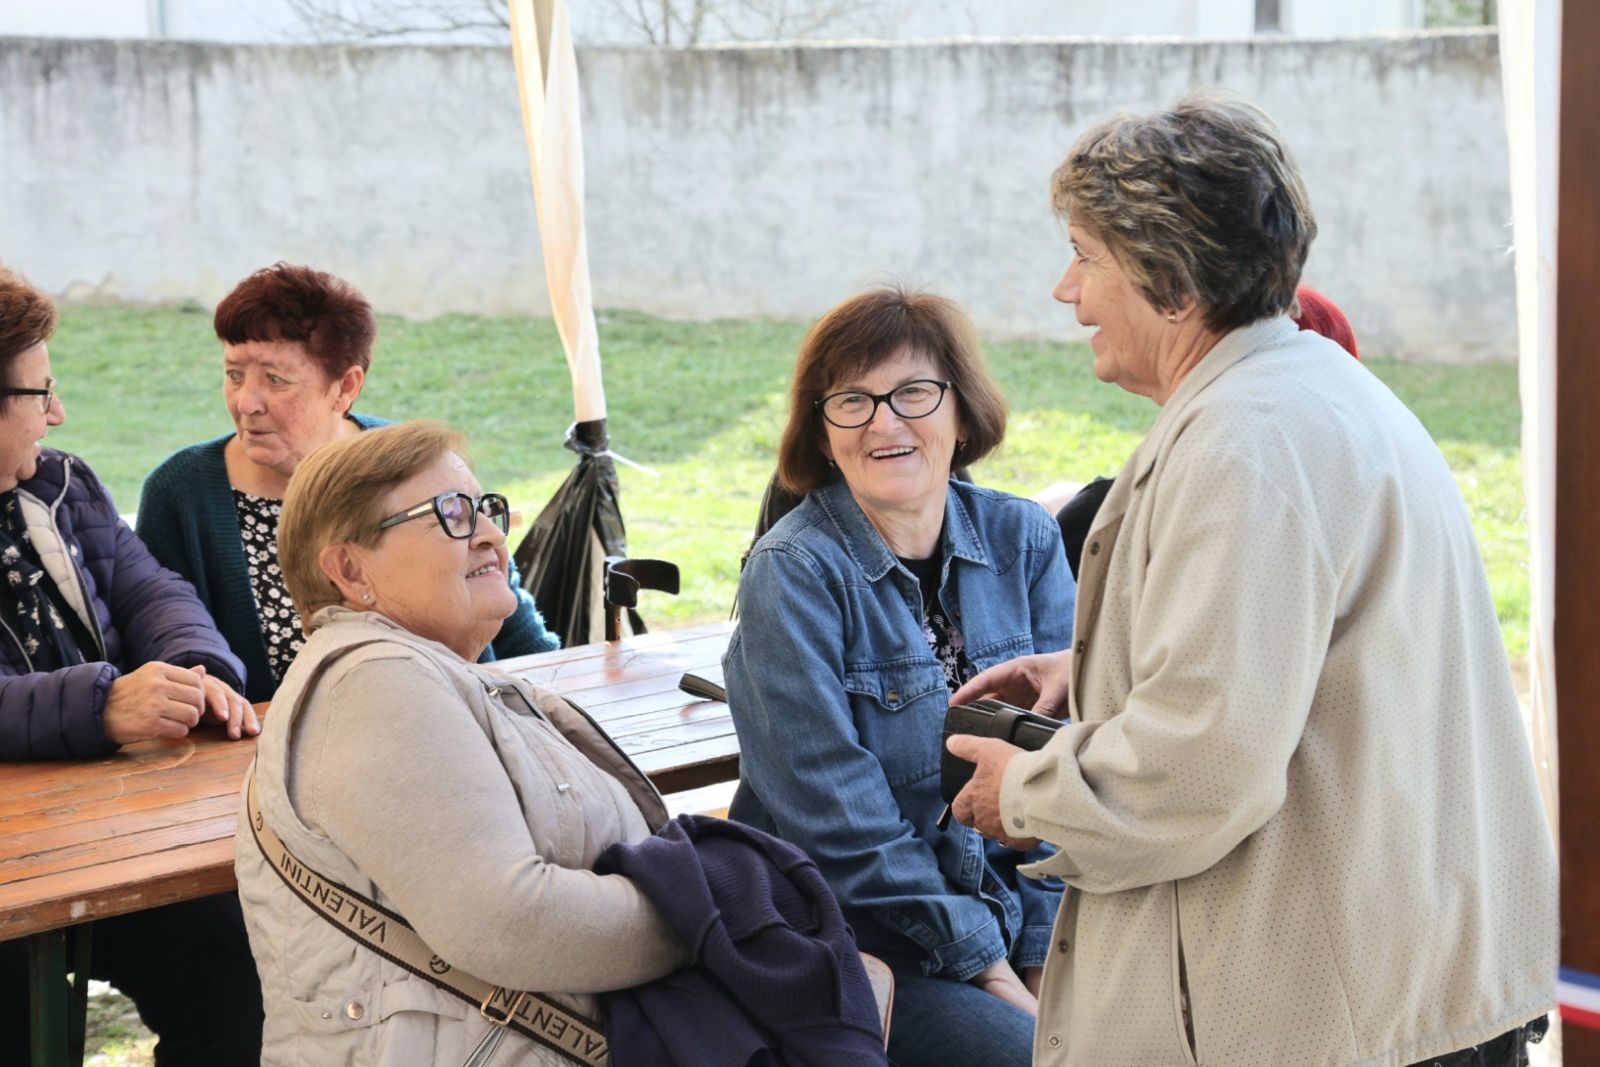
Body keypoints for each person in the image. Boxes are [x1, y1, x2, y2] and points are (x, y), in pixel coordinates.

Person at [946, 91, 1557, 1067]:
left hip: (1350, 1022)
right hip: (1396, 991)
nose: (1067, 290)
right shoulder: (1311, 392)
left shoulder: (1247, 441)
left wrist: (1023, 789)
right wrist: (1095, 667)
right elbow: (1307, 660)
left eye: (1085, 255)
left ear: (1173, 284)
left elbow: (1199, 767)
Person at [236, 420, 695, 1065]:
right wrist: (707, 913)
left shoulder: (430, 670)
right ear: (348, 567)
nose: (488, 533)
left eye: (486, 509)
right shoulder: (374, 683)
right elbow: (511, 923)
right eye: (450, 514)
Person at [723, 285, 1076, 1067]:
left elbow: (1064, 762)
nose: (884, 422)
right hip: (864, 946)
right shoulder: (794, 573)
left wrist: (1045, 958)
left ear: (961, 409)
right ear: (821, 427)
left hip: (1026, 930)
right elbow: (841, 826)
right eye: (851, 400)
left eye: (913, 392)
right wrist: (993, 969)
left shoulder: (1025, 539)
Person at [0, 266, 263, 1063]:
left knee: (236, 968)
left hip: (102, 829)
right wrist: (104, 705)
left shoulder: (64, 481)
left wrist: (196, 665)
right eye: (38, 393)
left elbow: (154, 589)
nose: (58, 412)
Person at [138, 263, 556, 702]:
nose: (246, 402)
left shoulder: (414, 466)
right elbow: (171, 651)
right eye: (234, 374)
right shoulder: (182, 492)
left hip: (457, 711)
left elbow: (509, 620)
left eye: (275, 379)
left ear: (345, 386)